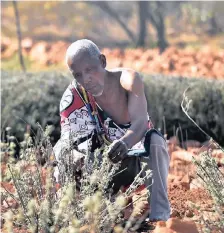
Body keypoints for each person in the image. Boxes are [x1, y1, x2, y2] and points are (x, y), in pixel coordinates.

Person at [53, 39, 170, 221]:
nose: (86, 79)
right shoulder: (74, 98)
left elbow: (140, 123)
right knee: (64, 152)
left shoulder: (127, 82)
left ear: (103, 61)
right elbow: (71, 141)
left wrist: (125, 143)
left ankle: (160, 216)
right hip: (97, 171)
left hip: (134, 165)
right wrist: (84, 158)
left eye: (90, 70)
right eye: (78, 75)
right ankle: (79, 215)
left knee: (156, 141)